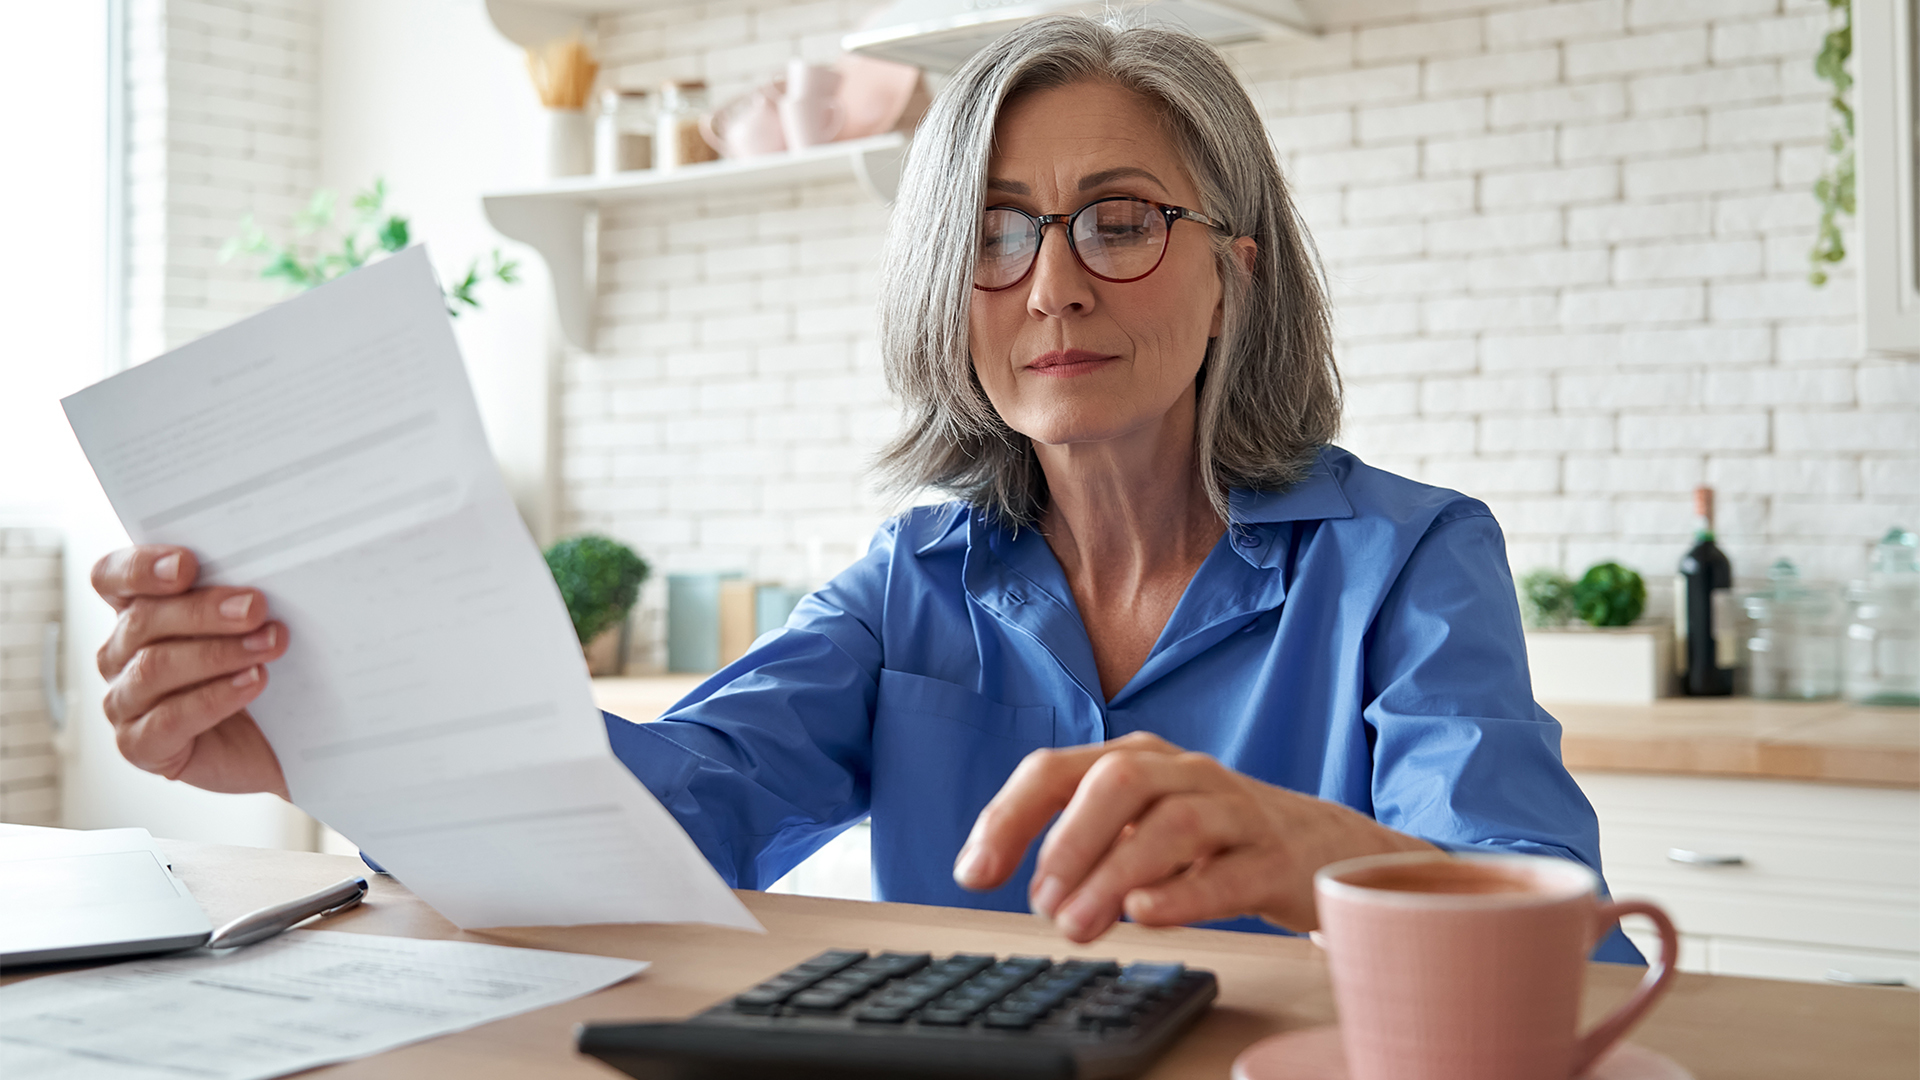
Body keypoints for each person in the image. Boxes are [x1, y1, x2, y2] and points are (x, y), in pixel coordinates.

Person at [88, 16, 1639, 960]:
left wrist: (1313, 856)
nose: (1050, 287)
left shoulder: (1408, 561)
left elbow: (1552, 919)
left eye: (1117, 220)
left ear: (1232, 273)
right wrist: (327, 737)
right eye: (994, 232)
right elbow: (666, 817)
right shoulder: (915, 582)